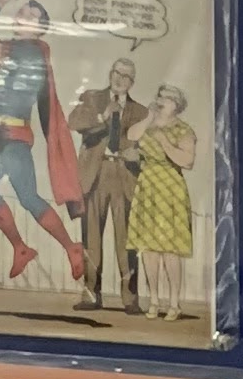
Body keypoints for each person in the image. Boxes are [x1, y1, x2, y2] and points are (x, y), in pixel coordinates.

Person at [0, 0, 84, 287]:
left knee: (28, 198)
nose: (23, 14)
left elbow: (9, 84)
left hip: (14, 137)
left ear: (40, 29)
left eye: (32, 15)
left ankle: (71, 247)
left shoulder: (30, 52)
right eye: (22, 11)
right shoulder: (15, 48)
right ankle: (21, 248)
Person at [69, 50, 152, 309]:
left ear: (132, 82)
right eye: (117, 73)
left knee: (127, 241)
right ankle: (90, 295)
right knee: (91, 238)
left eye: (126, 77)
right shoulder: (92, 98)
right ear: (110, 74)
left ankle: (130, 299)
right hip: (96, 173)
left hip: (124, 175)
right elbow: (74, 122)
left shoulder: (140, 112)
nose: (120, 79)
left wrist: (138, 153)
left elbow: (149, 145)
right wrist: (102, 116)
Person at [124, 82, 197, 317]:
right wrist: (149, 118)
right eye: (160, 96)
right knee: (149, 248)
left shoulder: (183, 130)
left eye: (167, 98)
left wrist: (164, 141)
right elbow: (131, 135)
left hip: (170, 188)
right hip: (148, 186)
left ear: (177, 105)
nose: (161, 100)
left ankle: (174, 303)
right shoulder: (149, 124)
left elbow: (187, 162)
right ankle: (154, 300)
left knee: (170, 249)